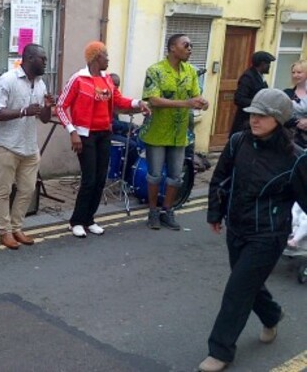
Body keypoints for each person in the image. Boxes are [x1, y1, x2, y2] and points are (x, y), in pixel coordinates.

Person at [200, 88, 307, 372]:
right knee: (246, 283)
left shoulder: (296, 158)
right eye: (253, 114)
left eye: (262, 115)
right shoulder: (238, 142)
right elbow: (220, 178)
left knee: (237, 290)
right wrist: (215, 212)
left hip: (268, 236)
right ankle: (272, 315)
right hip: (237, 227)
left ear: (279, 119)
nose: (254, 120)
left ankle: (220, 351)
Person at [57, 42, 149, 238]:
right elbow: (60, 106)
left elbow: (119, 100)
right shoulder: (79, 79)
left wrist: (138, 103)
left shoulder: (107, 80)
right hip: (85, 135)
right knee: (89, 180)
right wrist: (72, 131)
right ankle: (77, 221)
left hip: (104, 134)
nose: (108, 59)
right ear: (96, 57)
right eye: (105, 56)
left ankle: (89, 219)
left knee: (100, 180)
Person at [140, 33, 208, 230]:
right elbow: (153, 100)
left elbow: (196, 95)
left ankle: (167, 211)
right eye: (186, 45)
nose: (190, 49)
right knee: (154, 175)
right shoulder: (155, 71)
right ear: (172, 47)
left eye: (191, 46)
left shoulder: (191, 72)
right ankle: (153, 212)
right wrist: (186, 103)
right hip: (158, 132)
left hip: (180, 133)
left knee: (176, 176)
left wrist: (202, 102)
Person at [0, 43, 53, 249]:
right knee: (3, 191)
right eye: (42, 59)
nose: (45, 62)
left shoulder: (41, 84)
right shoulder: (8, 80)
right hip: (7, 145)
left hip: (29, 146)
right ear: (29, 58)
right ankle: (4, 231)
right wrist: (23, 111)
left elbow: (43, 118)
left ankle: (17, 227)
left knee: (27, 190)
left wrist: (48, 108)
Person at [229, 51, 275, 136]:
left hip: (256, 120)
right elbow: (239, 99)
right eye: (268, 64)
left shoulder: (260, 77)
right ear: (262, 64)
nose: (269, 67)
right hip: (245, 121)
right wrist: (258, 104)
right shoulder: (248, 77)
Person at [284, 59, 307, 148]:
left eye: (299, 72)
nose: (295, 75)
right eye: (293, 72)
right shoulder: (287, 93)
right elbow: (281, 115)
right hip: (291, 141)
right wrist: (296, 123)